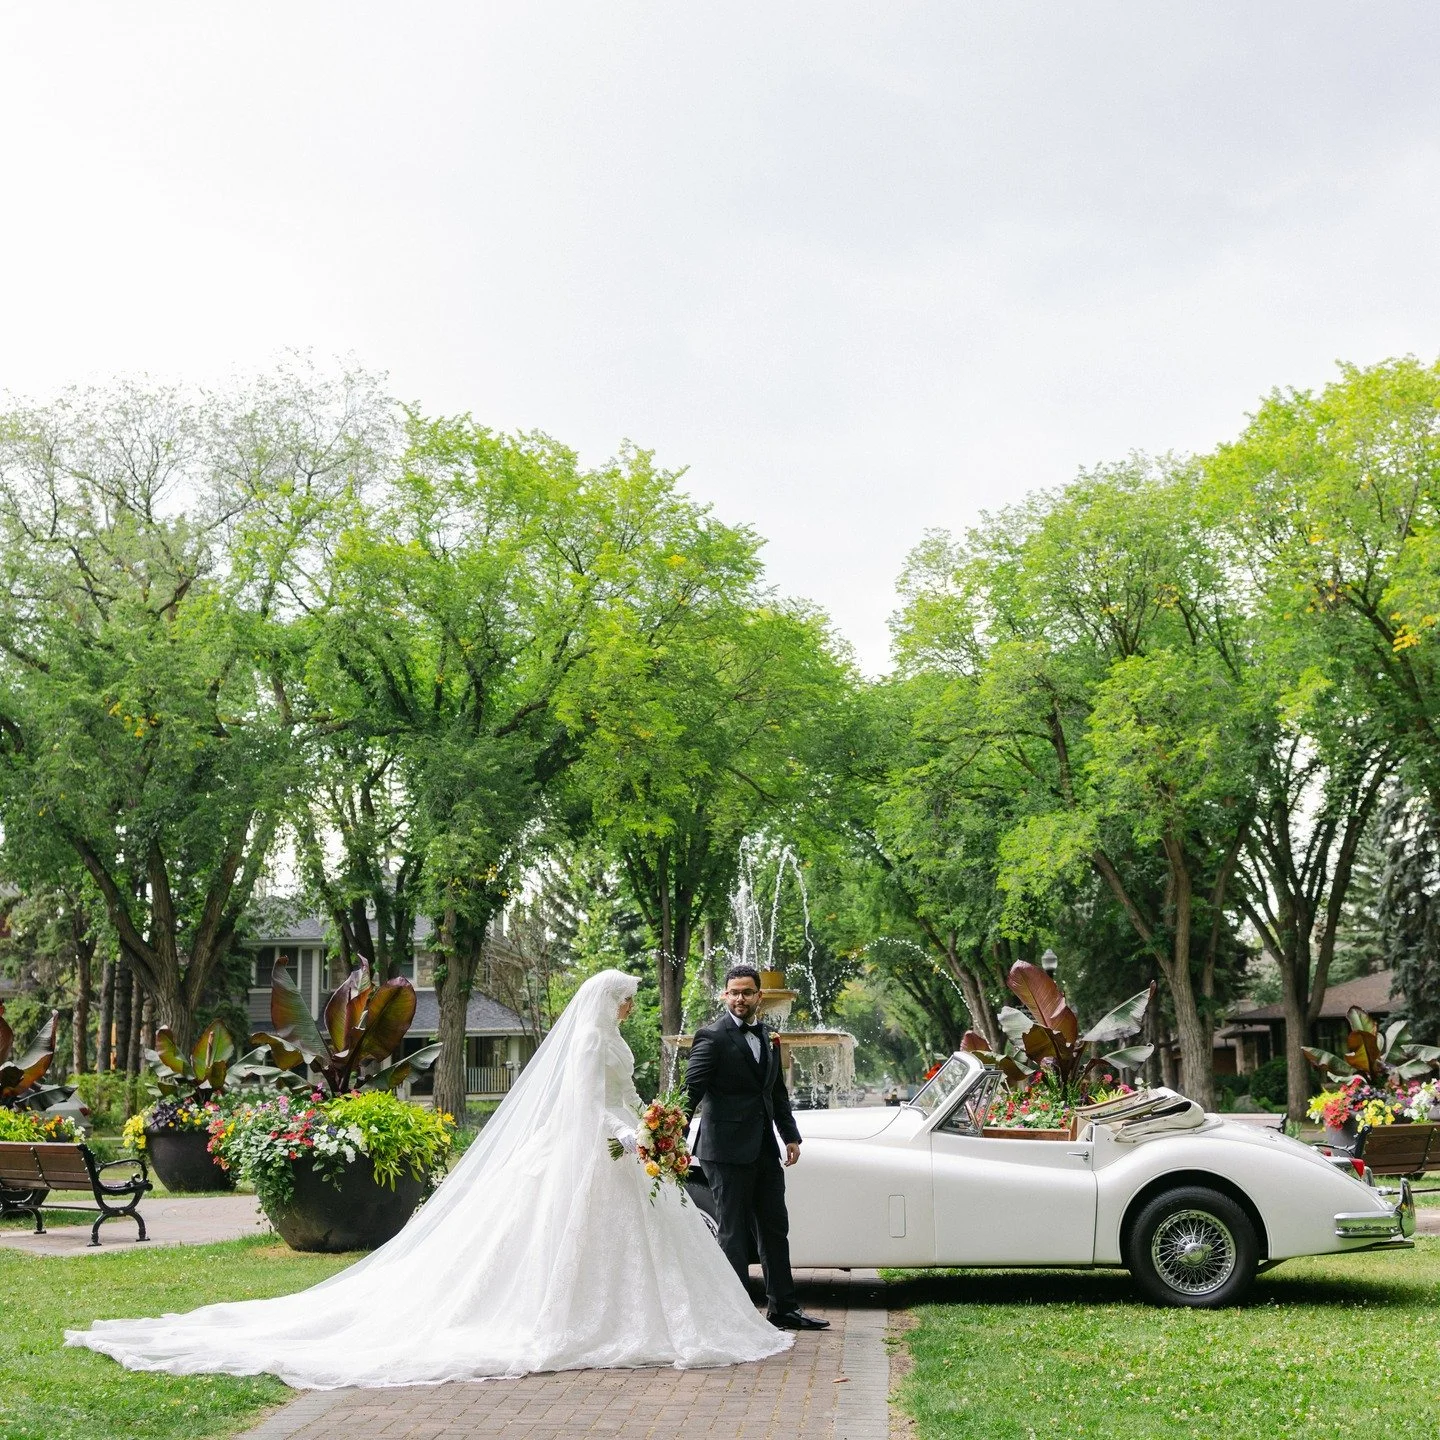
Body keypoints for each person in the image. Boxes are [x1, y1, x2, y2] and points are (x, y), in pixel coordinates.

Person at [66, 970, 792, 1388]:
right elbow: (584, 1107)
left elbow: (622, 1097)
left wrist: (647, 1126)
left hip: (620, 1150)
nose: (630, 1006)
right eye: (626, 998)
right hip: (595, 1152)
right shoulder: (589, 1044)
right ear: (608, 1003)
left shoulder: (614, 1040)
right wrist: (632, 1135)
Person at [686, 963, 829, 1331]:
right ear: (724, 995)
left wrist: (790, 1135)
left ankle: (783, 1309)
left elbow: (775, 1091)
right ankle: (735, 1316)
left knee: (774, 1228)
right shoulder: (711, 1037)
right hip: (724, 1152)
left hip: (764, 1148)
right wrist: (672, 1137)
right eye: (734, 992)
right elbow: (691, 1092)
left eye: (747, 992)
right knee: (733, 1233)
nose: (740, 998)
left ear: (758, 996)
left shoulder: (768, 1036)